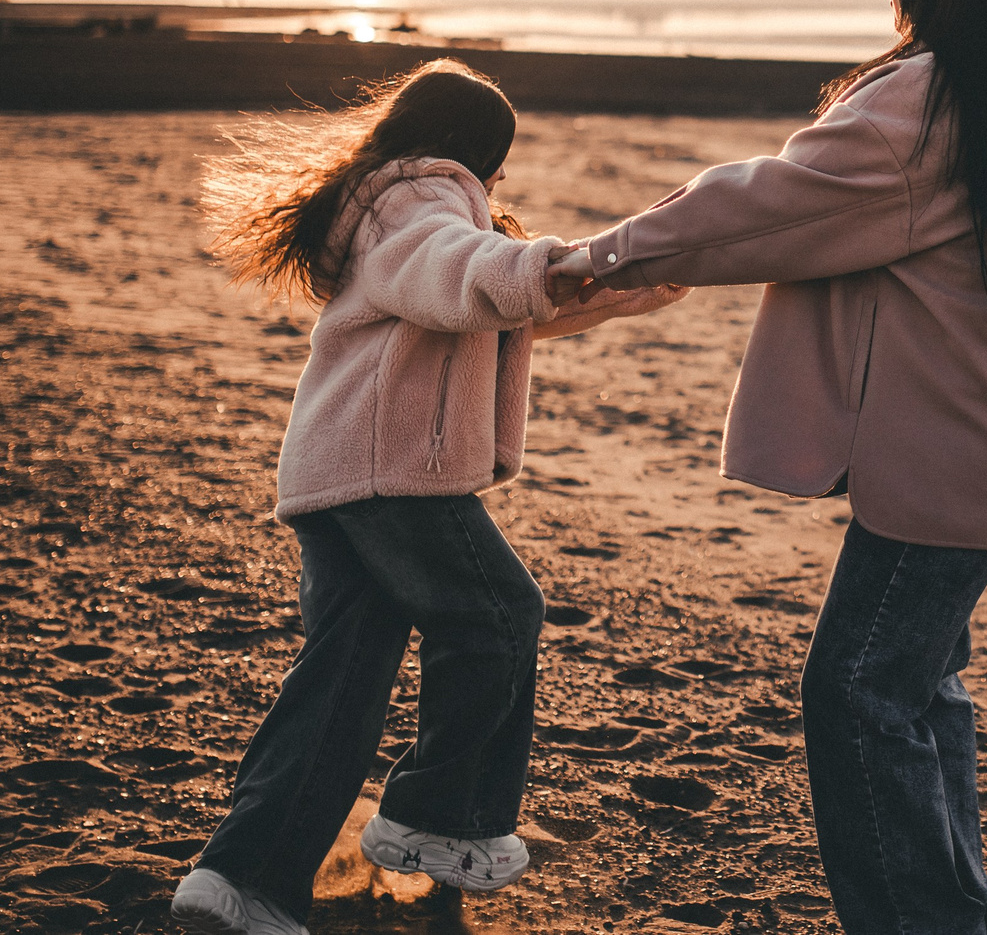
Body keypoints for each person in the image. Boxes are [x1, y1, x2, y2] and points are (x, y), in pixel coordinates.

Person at [553, 0, 987, 935]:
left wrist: (602, 255)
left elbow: (767, 206)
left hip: (950, 454)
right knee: (915, 688)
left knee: (856, 693)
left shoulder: (927, 99)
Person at [169, 60, 685, 935]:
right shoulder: (412, 202)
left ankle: (242, 878)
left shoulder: (402, 211)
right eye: (496, 166)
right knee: (500, 612)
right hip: (388, 473)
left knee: (342, 677)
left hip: (341, 475)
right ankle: (438, 819)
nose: (495, 185)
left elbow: (499, 295)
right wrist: (548, 260)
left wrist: (639, 265)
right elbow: (456, 264)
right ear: (469, 153)